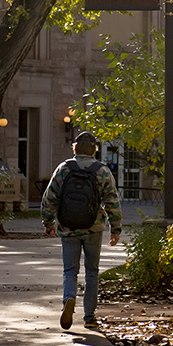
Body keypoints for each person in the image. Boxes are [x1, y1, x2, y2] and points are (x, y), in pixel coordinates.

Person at [41, 131, 122, 330]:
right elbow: (112, 201)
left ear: (75, 148)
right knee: (92, 271)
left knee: (70, 269)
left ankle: (69, 298)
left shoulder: (64, 168)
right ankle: (89, 317)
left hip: (68, 227)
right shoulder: (101, 170)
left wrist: (48, 222)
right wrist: (116, 228)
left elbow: (49, 197)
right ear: (94, 149)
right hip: (93, 227)